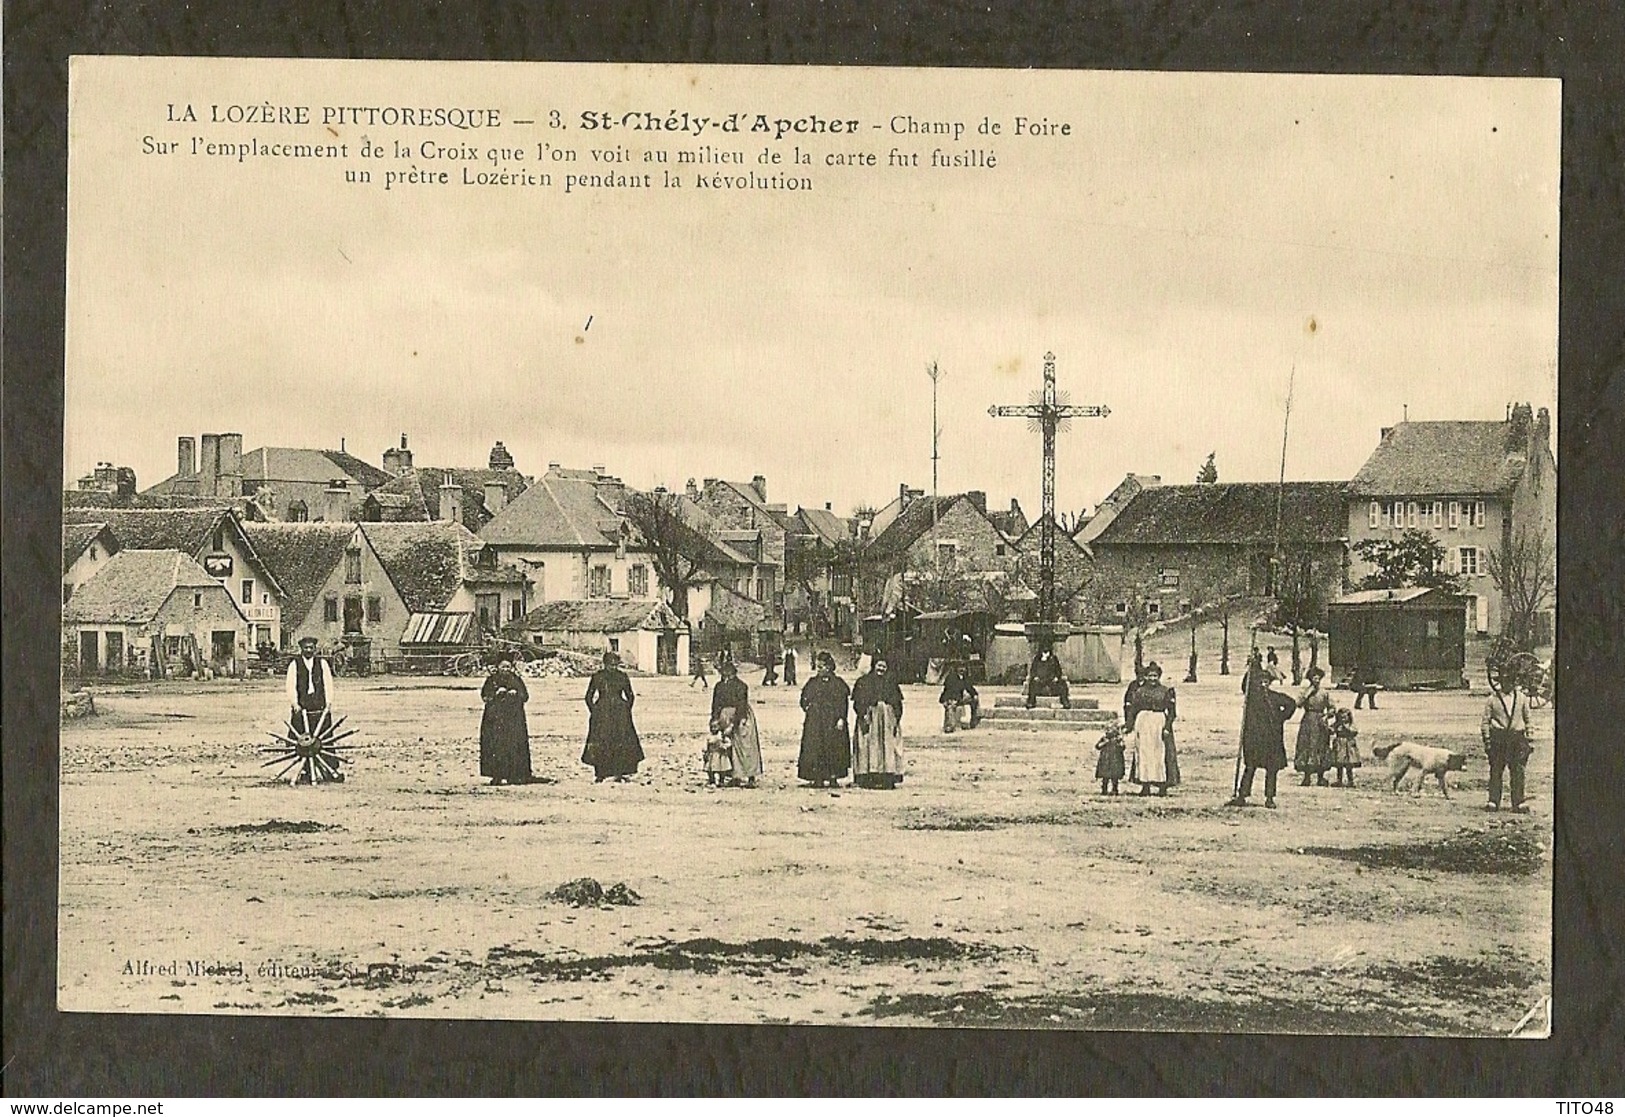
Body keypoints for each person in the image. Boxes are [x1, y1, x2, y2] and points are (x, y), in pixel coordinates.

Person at [1228, 650, 1297, 809]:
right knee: (1250, 767)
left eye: (1266, 681)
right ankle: (1242, 795)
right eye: (1260, 681)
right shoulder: (1252, 698)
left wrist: (1282, 717)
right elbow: (1246, 685)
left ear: (1270, 682)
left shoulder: (1275, 697)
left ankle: (1270, 798)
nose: (1263, 684)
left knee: (1271, 769)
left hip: (1272, 739)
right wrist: (1252, 665)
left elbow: (1291, 703)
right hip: (1254, 737)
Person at [582, 650, 643, 782]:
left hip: (619, 714)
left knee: (620, 742)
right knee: (601, 742)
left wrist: (626, 709)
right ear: (604, 664)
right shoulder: (597, 677)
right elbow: (588, 696)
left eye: (615, 665)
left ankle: (619, 771)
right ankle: (601, 772)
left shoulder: (623, 676)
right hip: (602, 713)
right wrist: (594, 711)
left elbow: (630, 695)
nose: (613, 667)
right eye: (610, 665)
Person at [1482, 663, 1534, 812]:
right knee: (1496, 770)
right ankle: (1493, 801)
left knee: (1518, 771)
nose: (1507, 684)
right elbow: (1485, 722)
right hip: (1498, 738)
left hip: (1517, 738)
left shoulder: (1522, 698)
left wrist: (1529, 739)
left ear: (1514, 681)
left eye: (1510, 680)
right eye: (1504, 680)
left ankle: (1519, 802)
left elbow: (1528, 719)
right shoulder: (1492, 699)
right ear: (1500, 681)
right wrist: (1487, 740)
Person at [851, 653, 905, 789]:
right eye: (879, 665)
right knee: (869, 745)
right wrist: (863, 714)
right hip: (870, 717)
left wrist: (896, 719)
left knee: (887, 746)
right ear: (873, 665)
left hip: (887, 718)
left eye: (884, 666)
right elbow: (857, 702)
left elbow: (898, 703)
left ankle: (887, 777)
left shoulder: (891, 681)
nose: (881, 669)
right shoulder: (863, 681)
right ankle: (869, 777)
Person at [797, 652, 851, 788]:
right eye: (818, 667)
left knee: (834, 748)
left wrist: (841, 718)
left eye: (822, 667)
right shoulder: (812, 683)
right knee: (815, 748)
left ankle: (833, 777)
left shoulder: (838, 683)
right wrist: (808, 708)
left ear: (829, 667)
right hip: (815, 722)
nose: (819, 670)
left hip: (832, 721)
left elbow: (843, 703)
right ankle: (817, 777)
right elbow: (804, 699)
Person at [1125, 661, 1180, 796]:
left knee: (1160, 753)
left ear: (1159, 676)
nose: (1152, 679)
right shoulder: (1139, 691)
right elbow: (1133, 709)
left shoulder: (1166, 691)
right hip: (1143, 723)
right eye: (1150, 676)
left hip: (1159, 722)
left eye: (1155, 676)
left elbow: (1172, 712)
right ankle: (1145, 785)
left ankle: (1162, 785)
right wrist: (1129, 725)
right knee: (1144, 753)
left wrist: (1167, 727)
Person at [479, 658, 533, 785]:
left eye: (508, 667)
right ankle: (496, 775)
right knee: (495, 746)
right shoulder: (491, 680)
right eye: (503, 667)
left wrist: (516, 694)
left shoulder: (516, 680)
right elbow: (485, 696)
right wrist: (496, 693)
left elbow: (525, 696)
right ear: (498, 667)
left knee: (513, 746)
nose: (505, 670)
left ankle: (514, 775)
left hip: (513, 721)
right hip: (495, 721)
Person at [710, 659, 764, 788]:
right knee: (727, 747)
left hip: (741, 717)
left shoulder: (741, 686)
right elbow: (715, 704)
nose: (725, 677)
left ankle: (750, 776)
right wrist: (714, 719)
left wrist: (734, 724)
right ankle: (733, 775)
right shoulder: (719, 686)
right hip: (724, 717)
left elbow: (741, 705)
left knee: (745, 746)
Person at [1293, 666, 1334, 786]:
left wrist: (1327, 716)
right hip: (1308, 721)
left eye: (1318, 678)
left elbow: (1332, 707)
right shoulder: (1306, 691)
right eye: (1314, 678)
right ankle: (1307, 777)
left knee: (1321, 746)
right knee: (1307, 745)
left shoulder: (1324, 692)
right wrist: (1307, 694)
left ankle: (1321, 777)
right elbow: (1298, 704)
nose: (1316, 680)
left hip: (1321, 721)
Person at [938, 662, 980, 733]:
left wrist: (975, 695)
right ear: (956, 669)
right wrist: (949, 700)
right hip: (950, 698)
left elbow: (970, 688)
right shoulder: (951, 678)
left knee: (974, 700)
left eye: (963, 668)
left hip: (959, 698)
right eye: (960, 668)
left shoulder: (965, 678)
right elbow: (948, 691)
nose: (962, 670)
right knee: (951, 706)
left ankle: (973, 721)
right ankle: (949, 726)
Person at [1328, 706, 1361, 786]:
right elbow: (1331, 730)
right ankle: (1339, 780)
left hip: (1348, 746)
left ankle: (1350, 780)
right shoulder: (1337, 725)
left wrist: (1347, 728)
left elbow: (1355, 731)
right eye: (1341, 718)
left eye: (1344, 717)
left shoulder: (1350, 725)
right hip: (1339, 745)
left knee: (1349, 765)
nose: (1342, 719)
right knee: (1339, 765)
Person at [1095, 722, 1127, 796]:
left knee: (1115, 777)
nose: (1109, 731)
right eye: (1107, 729)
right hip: (1105, 760)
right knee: (1105, 777)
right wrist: (1104, 743)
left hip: (1115, 760)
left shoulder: (1118, 740)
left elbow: (1123, 747)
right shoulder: (1104, 739)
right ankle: (1104, 789)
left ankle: (1115, 789)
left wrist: (1121, 742)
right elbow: (1097, 746)